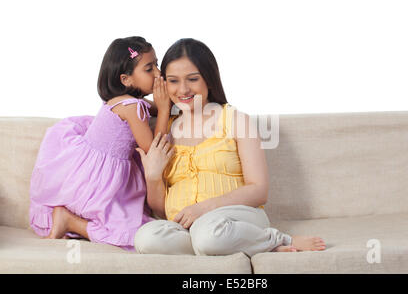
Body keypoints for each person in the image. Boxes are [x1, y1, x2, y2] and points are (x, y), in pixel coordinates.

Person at [134, 38, 326, 256]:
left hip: (236, 218)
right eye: (173, 81)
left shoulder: (236, 120)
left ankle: (275, 239)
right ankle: (225, 245)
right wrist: (153, 177)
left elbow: (259, 190)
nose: (183, 89)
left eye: (193, 79)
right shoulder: (165, 131)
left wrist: (204, 208)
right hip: (189, 229)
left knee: (209, 234)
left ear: (209, 79)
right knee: (145, 238)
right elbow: (160, 210)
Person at [29, 36, 172, 251]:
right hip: (101, 184)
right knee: (132, 235)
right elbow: (153, 150)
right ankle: (71, 221)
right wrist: (163, 109)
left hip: (93, 173)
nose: (159, 74)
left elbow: (151, 107)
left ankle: (69, 220)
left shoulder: (125, 101)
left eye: (157, 65)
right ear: (126, 79)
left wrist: (170, 103)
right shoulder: (132, 108)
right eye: (149, 68)